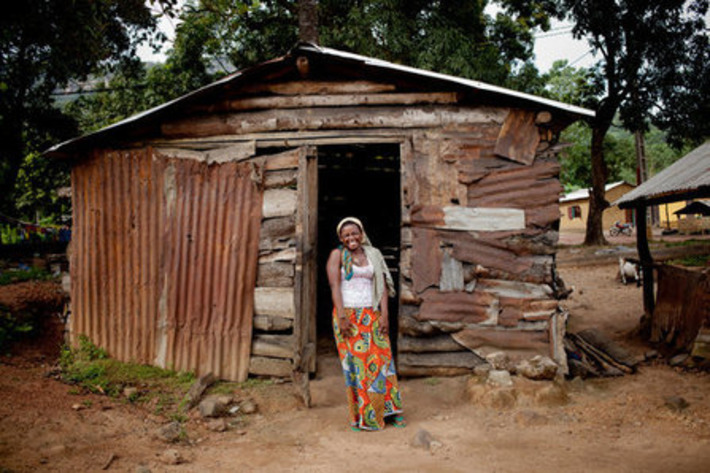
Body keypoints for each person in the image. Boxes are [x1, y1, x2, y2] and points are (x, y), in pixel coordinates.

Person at [326, 216, 405, 431]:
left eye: (354, 233)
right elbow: (334, 287)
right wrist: (342, 317)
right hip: (348, 317)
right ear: (341, 239)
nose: (351, 238)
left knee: (383, 362)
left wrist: (384, 315)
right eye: (346, 235)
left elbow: (383, 287)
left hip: (372, 314)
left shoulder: (374, 254)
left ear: (361, 234)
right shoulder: (337, 255)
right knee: (357, 367)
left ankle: (391, 411)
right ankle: (362, 416)